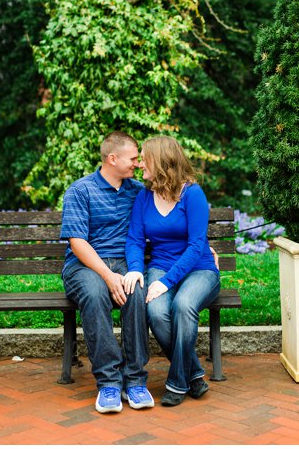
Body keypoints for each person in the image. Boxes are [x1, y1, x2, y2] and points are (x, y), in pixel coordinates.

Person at [60, 131, 154, 414]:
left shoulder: (138, 191)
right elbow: (77, 242)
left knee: (137, 290)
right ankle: (109, 383)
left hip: (125, 262)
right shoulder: (80, 190)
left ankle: (135, 380)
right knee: (95, 292)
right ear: (112, 159)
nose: (137, 164)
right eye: (133, 158)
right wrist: (107, 275)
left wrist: (201, 249)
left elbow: (169, 218)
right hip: (85, 266)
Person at [123, 135, 220, 407]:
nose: (140, 163)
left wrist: (167, 281)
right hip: (160, 267)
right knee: (155, 311)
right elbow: (134, 240)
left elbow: (196, 245)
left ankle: (177, 383)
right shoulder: (144, 197)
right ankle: (194, 376)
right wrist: (134, 269)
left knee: (184, 305)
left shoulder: (193, 194)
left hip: (199, 269)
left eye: (144, 158)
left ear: (161, 160)